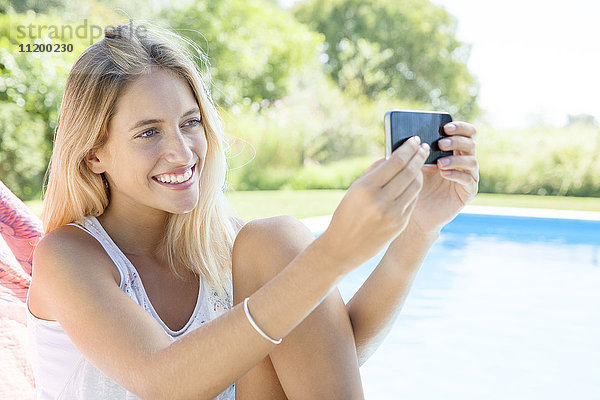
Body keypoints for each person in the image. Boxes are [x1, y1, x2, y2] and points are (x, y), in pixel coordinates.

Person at [25, 21, 479, 399]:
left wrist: (417, 230)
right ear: (93, 155)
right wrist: (333, 254)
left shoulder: (228, 246)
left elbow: (328, 354)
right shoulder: (68, 257)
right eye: (149, 133)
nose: (182, 152)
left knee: (274, 239)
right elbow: (162, 381)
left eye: (190, 123)